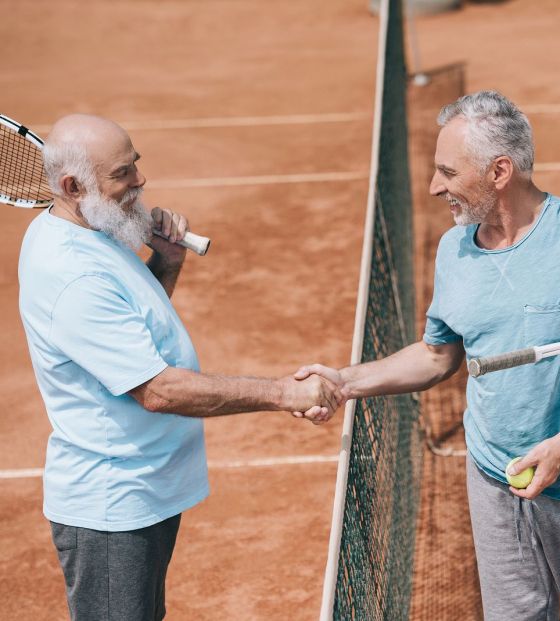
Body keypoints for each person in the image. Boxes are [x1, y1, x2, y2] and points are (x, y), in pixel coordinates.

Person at [296, 90, 560, 620]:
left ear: (499, 171)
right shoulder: (455, 249)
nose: (434, 187)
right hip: (496, 481)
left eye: (447, 171)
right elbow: (436, 356)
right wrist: (342, 381)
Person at [18, 114, 342, 621]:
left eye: (136, 166)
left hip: (144, 491)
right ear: (71, 185)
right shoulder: (71, 274)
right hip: (111, 507)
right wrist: (282, 393)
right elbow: (158, 391)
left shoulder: (94, 231)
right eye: (122, 174)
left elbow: (136, 337)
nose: (139, 182)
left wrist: (167, 260)